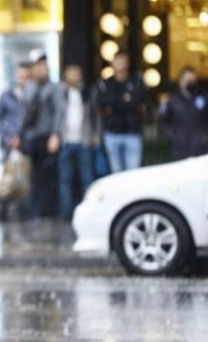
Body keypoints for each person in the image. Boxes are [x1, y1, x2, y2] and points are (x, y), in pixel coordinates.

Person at [54, 65, 99, 221]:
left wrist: (95, 137)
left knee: (86, 177)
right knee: (64, 178)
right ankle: (66, 212)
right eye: (70, 74)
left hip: (83, 140)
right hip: (65, 140)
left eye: (76, 74)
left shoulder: (87, 92)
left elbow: (95, 116)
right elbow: (56, 115)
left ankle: (89, 211)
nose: (74, 77)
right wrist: (55, 135)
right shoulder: (60, 92)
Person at [19, 52, 60, 220]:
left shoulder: (53, 88)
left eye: (42, 67)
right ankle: (34, 211)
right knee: (34, 176)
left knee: (49, 175)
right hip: (32, 138)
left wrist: (56, 135)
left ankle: (48, 211)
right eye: (37, 67)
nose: (40, 70)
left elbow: (58, 112)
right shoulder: (30, 87)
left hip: (47, 136)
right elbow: (25, 112)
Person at [96, 51, 145, 173]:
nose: (121, 65)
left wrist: (116, 104)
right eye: (118, 61)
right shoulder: (105, 83)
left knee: (133, 174)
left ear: (128, 63)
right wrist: (124, 101)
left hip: (132, 132)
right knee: (116, 173)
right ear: (112, 63)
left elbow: (138, 101)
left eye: (123, 61)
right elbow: (103, 104)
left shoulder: (136, 82)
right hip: (112, 132)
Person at [0, 62, 30, 221]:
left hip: (26, 144)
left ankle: (23, 212)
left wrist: (23, 138)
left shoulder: (31, 95)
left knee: (24, 177)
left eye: (25, 76)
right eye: (20, 75)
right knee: (8, 177)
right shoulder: (7, 95)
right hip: (10, 144)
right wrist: (8, 137)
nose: (22, 78)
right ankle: (4, 212)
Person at [158, 66, 208, 160]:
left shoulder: (203, 98)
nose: (191, 83)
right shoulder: (171, 100)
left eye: (193, 80)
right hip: (180, 150)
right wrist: (174, 137)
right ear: (181, 81)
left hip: (202, 149)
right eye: (188, 80)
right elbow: (163, 123)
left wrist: (205, 136)